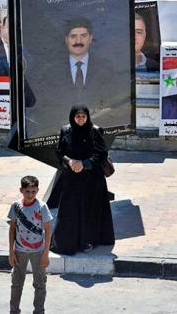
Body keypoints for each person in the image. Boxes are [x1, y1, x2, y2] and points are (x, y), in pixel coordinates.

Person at [26, 17, 116, 138]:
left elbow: (111, 103)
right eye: (73, 36)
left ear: (90, 38)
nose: (78, 41)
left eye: (83, 35)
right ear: (66, 39)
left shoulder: (105, 68)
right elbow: (46, 108)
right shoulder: (51, 72)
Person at [51, 105, 114, 255]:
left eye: (83, 116)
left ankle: (88, 241)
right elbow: (59, 152)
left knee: (89, 210)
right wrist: (69, 161)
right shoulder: (66, 130)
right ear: (72, 117)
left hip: (92, 179)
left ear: (87, 117)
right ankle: (67, 242)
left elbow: (101, 154)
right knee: (69, 209)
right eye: (78, 116)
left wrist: (83, 164)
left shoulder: (95, 131)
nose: (80, 119)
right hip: (71, 176)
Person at [8, 175, 53, 314]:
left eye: (33, 192)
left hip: (38, 252)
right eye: (27, 191)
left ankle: (39, 311)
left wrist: (45, 254)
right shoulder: (16, 206)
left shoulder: (42, 207)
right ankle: (14, 311)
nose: (30, 195)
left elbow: (48, 230)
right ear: (21, 190)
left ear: (37, 190)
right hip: (19, 251)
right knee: (16, 284)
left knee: (40, 284)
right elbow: (12, 229)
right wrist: (11, 252)